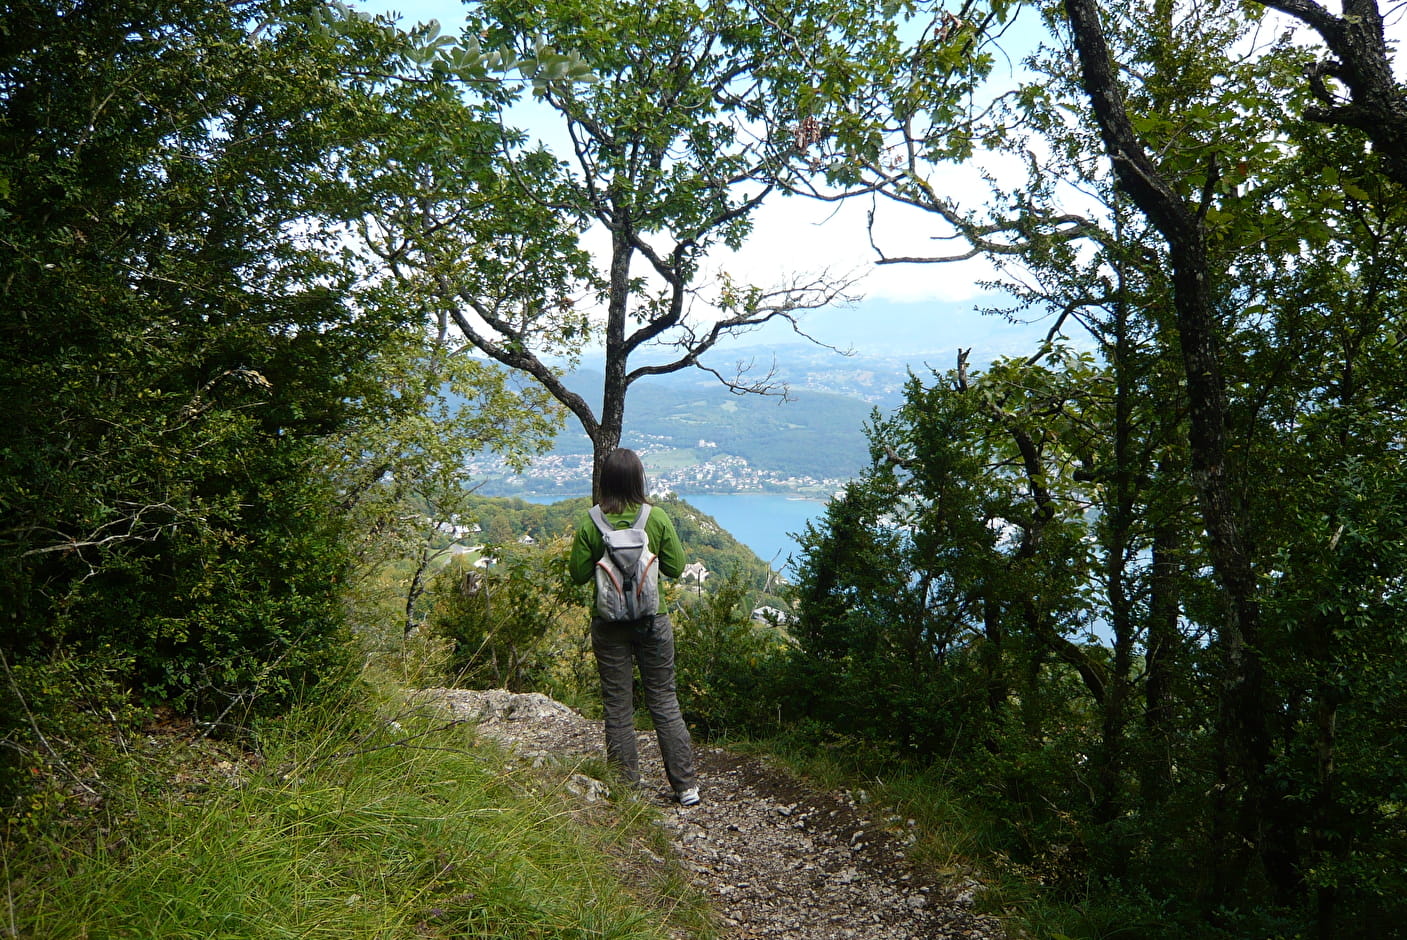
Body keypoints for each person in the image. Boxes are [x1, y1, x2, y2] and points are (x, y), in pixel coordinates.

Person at [569, 448, 700, 806]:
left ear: (605, 481)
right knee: (663, 699)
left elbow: (578, 574)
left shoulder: (591, 522)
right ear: (639, 479)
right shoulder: (654, 518)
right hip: (652, 621)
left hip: (608, 624)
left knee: (617, 706)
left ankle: (626, 790)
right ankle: (685, 787)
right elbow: (674, 567)